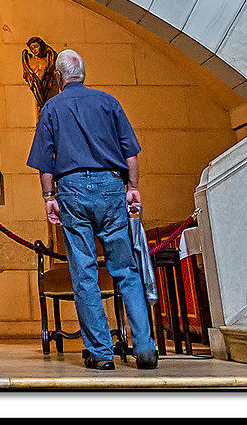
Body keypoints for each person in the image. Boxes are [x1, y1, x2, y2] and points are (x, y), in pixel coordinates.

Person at [26, 49, 156, 370]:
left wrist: (48, 197)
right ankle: (145, 348)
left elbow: (45, 161)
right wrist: (133, 188)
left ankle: (100, 353)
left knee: (84, 272)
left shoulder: (51, 108)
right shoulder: (108, 102)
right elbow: (131, 152)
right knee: (125, 269)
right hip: (112, 187)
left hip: (72, 190)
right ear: (84, 73)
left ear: (57, 78)